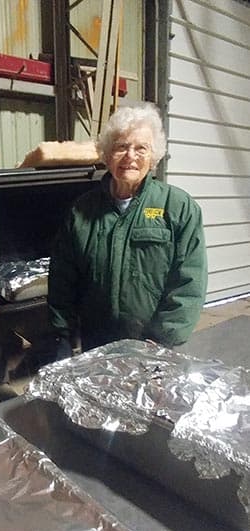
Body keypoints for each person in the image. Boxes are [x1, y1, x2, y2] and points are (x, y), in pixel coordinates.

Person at [48, 102, 208, 357]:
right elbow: (62, 278)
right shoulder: (82, 210)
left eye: (141, 148)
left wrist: (162, 339)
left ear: (153, 156)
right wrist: (63, 335)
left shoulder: (178, 207)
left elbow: (189, 281)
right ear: (107, 153)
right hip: (97, 343)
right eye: (121, 146)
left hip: (155, 347)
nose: (130, 156)